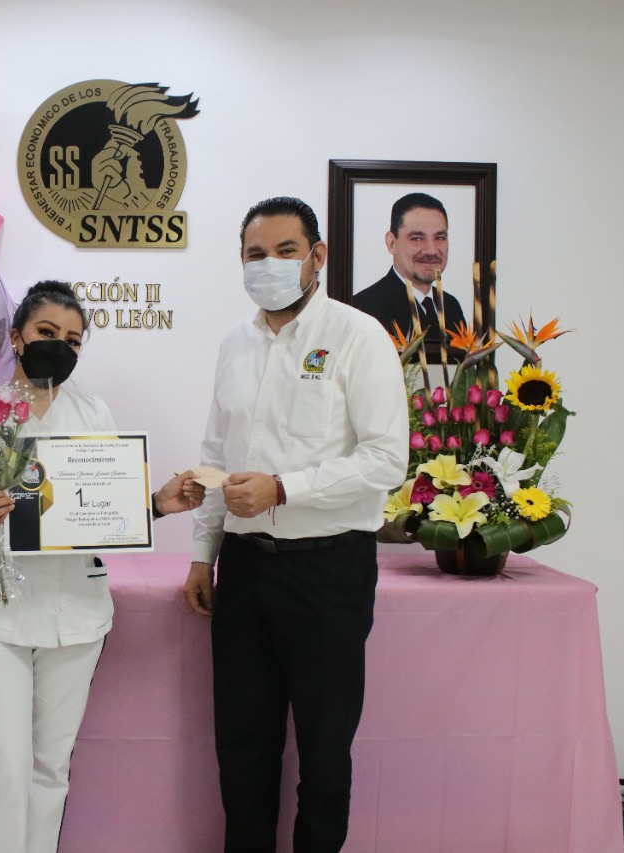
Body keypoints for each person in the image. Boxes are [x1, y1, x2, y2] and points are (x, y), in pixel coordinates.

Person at [0, 280, 204, 853]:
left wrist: (159, 505)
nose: (59, 345)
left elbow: (104, 512)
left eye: (73, 339)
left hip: (77, 614)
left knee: (49, 769)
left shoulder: (94, 412)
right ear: (16, 337)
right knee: (4, 768)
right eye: (46, 332)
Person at [182, 198, 408, 853]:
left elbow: (386, 459)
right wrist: (203, 553)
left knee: (324, 755)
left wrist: (284, 488)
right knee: (242, 751)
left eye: (286, 251)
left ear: (318, 256)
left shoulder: (358, 335)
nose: (270, 265)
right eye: (256, 254)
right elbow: (217, 455)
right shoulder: (235, 343)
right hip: (244, 569)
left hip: (328, 570)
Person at [351, 192, 466, 343]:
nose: (431, 250)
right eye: (417, 238)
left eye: (440, 238)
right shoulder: (364, 309)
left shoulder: (451, 307)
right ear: (392, 243)